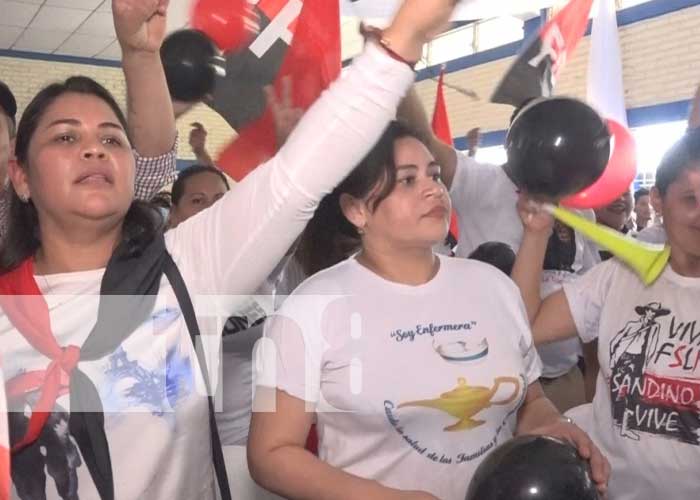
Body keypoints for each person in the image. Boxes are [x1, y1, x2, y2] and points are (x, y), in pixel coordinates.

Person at [0, 0, 450, 498]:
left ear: (135, 173)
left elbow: (298, 174)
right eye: (65, 137)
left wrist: (400, 42)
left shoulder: (184, 271)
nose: (94, 149)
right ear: (19, 176)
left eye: (112, 139)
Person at [247, 121, 609, 500]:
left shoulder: (494, 287)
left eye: (434, 175)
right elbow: (270, 454)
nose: (433, 189)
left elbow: (529, 402)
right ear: (356, 210)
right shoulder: (311, 308)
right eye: (407, 180)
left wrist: (551, 422)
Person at [512, 127, 700, 500]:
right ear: (659, 201)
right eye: (691, 198)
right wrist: (536, 234)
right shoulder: (617, 277)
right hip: (608, 491)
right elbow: (525, 324)